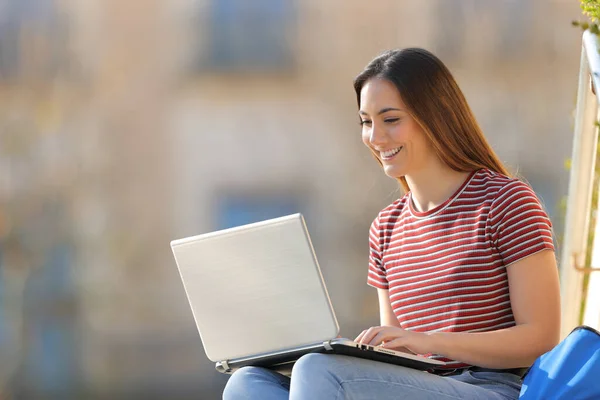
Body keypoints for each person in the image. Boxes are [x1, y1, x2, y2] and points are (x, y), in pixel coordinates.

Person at [222, 48, 561, 400]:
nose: (376, 138)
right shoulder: (386, 227)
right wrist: (363, 352)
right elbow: (399, 355)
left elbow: (540, 338)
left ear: (435, 115)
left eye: (391, 119)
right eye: (366, 122)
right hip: (414, 387)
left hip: (490, 389)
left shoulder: (505, 201)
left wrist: (430, 342)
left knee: (318, 370)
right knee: (248, 383)